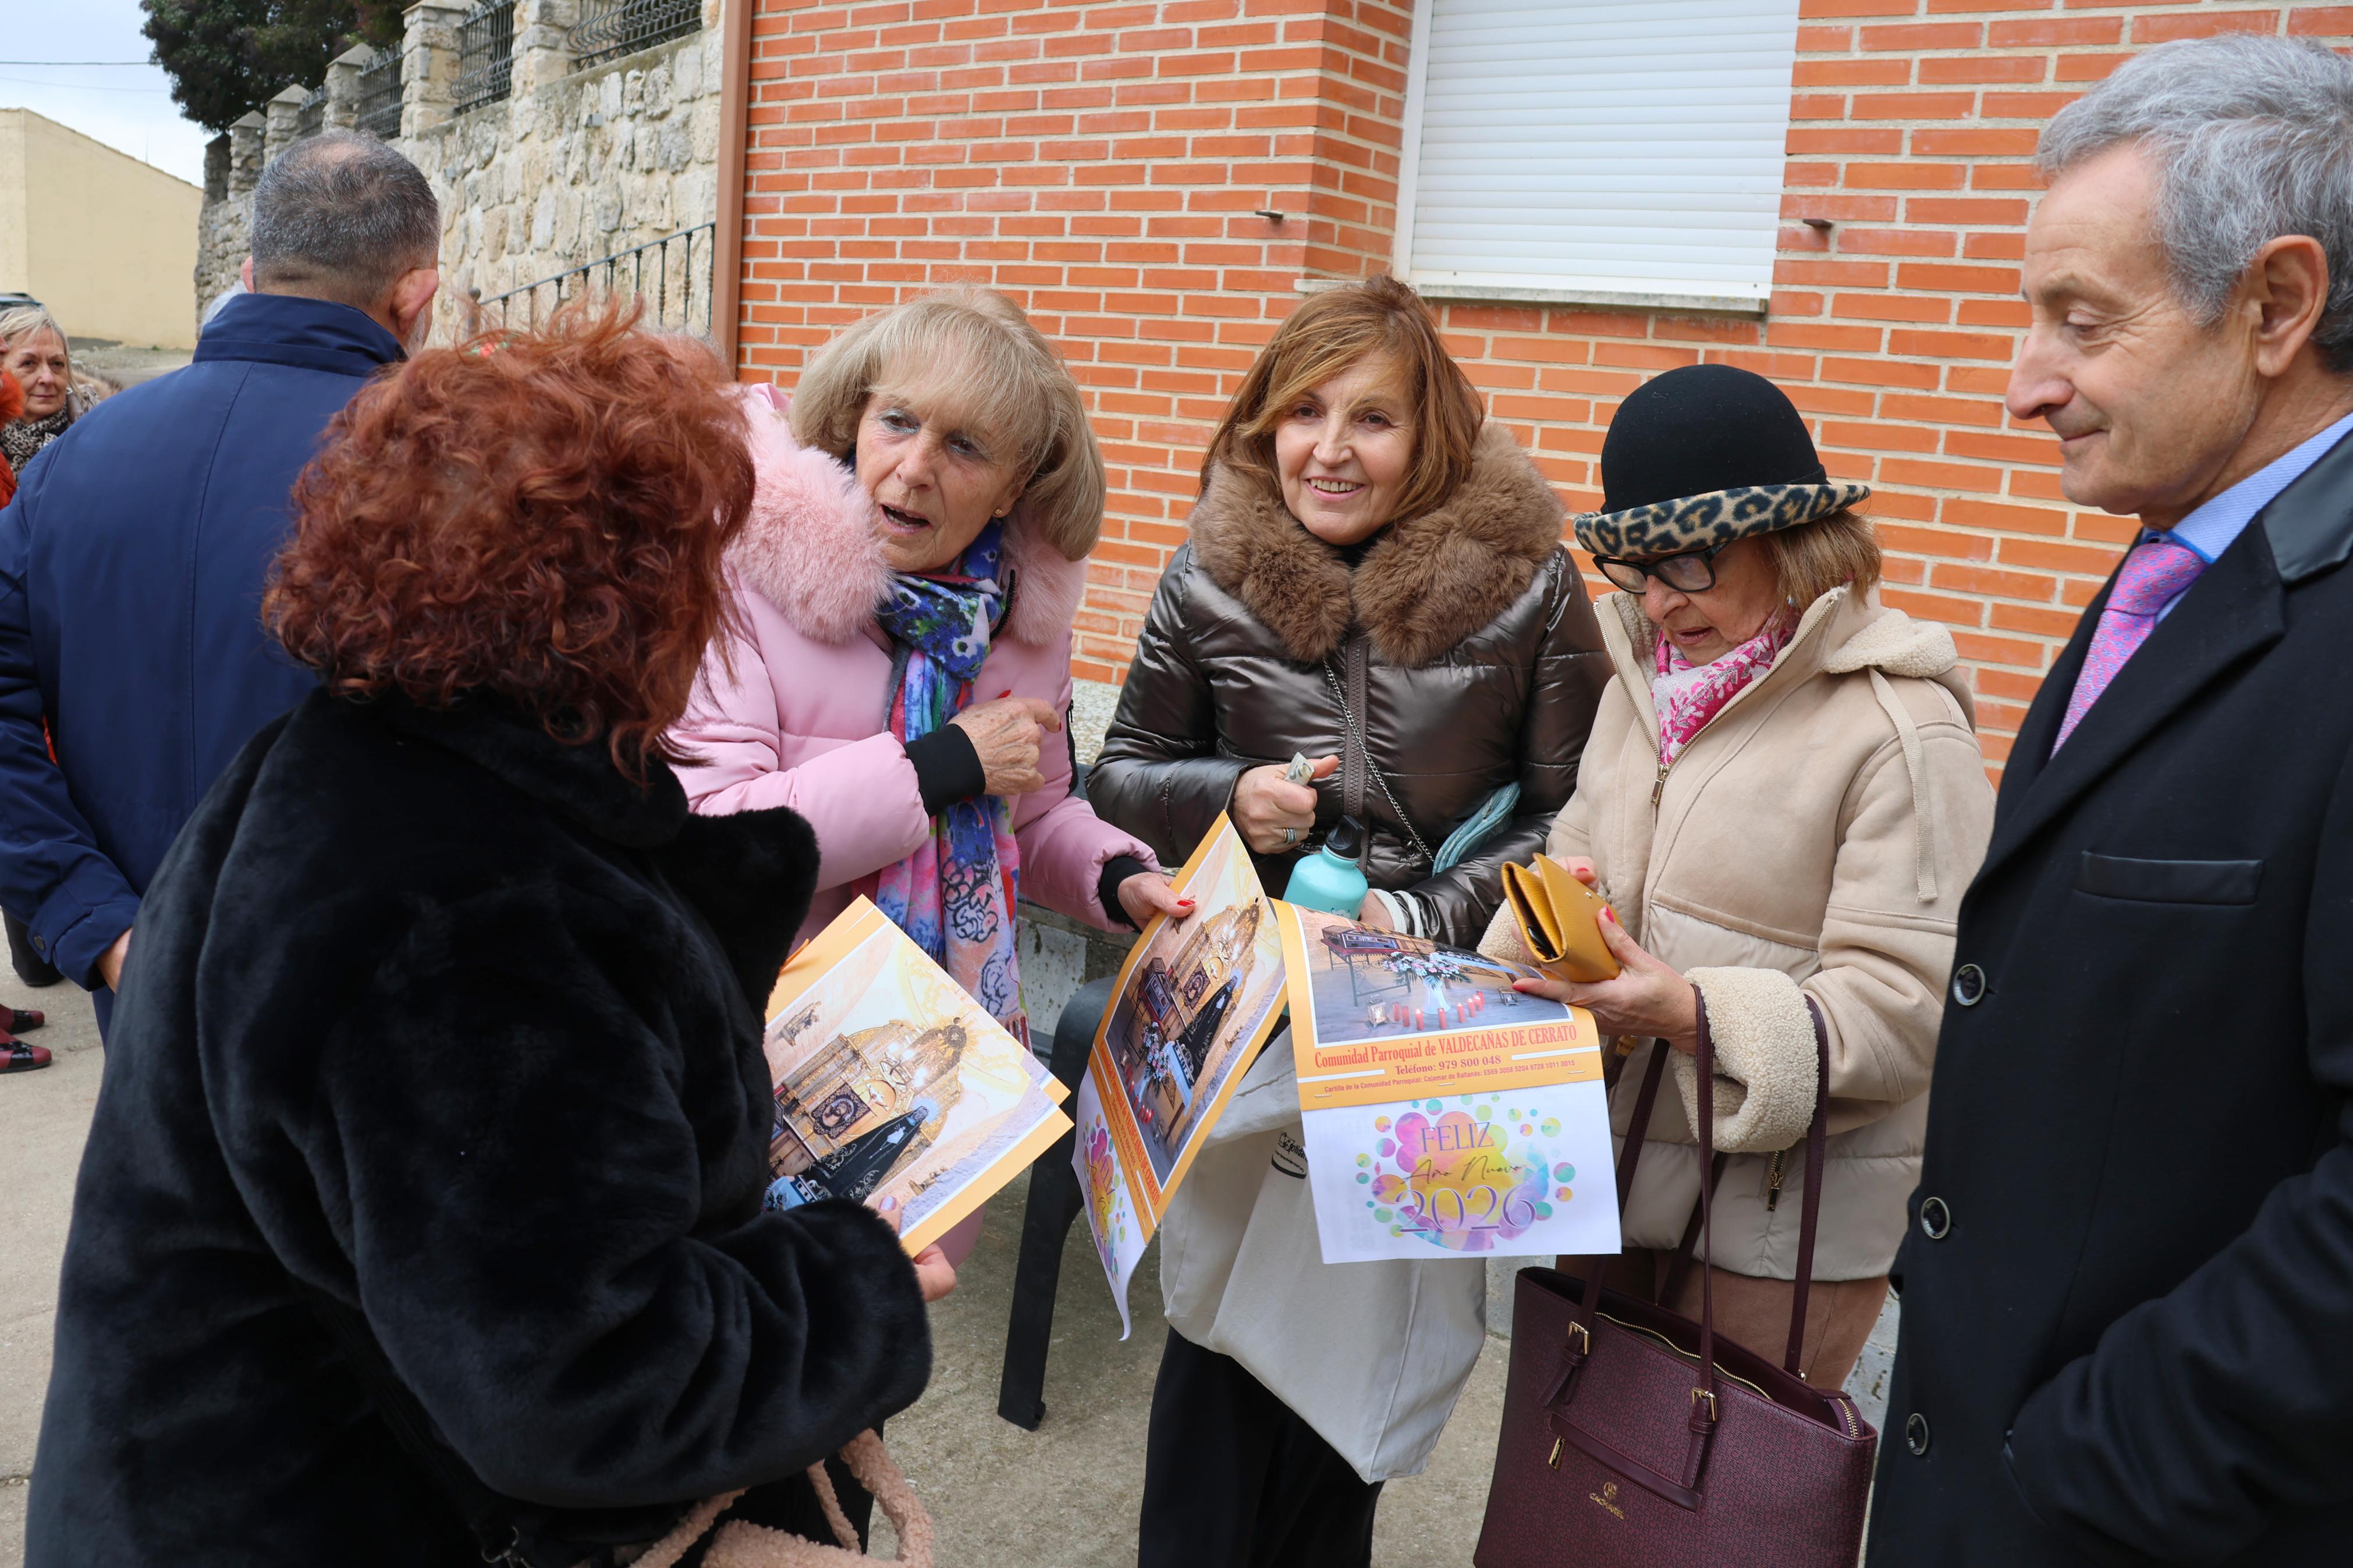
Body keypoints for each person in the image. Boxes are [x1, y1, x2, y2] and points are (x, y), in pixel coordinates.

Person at [26, 303, 943, 1563]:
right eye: (702, 568)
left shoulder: (361, 762)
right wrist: (853, 1285)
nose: (724, 606)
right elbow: (584, 1384)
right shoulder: (458, 910)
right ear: (617, 604)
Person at [1868, 36, 2353, 1565]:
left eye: (2078, 320)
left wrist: (2079, 1464)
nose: (2024, 386)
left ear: (2275, 305)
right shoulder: (2174, 558)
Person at [1084, 276, 1610, 1566]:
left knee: (1362, 1374)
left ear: (1432, 428)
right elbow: (1119, 774)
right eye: (1303, 410)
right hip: (1252, 1020)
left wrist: (1417, 907)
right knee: (1215, 1338)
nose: (1332, 447)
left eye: (1373, 417)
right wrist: (1228, 798)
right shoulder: (1208, 575)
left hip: (1434, 1030)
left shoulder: (1532, 589)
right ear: (1263, 422)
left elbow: (1584, 814)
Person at [1492, 362, 1993, 1391]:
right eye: (1637, 570)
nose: (1661, 605)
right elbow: (1567, 871)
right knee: (1584, 1502)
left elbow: (1909, 1012)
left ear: (1795, 541)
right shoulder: (1638, 695)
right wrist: (1511, 969)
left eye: (1690, 563)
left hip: (1785, 1223)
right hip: (1618, 1173)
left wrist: (1686, 1010)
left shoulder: (1902, 727)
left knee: (1714, 1525)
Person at [0, 131, 439, 1036]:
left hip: (155, 1020)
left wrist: (104, 927)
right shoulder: (454, 477)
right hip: (387, 1029)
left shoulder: (68, 469)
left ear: (248, 270)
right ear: (416, 292)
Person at [672, 287, 1180, 1041]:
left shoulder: (1019, 623)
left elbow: (1032, 816)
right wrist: (939, 767)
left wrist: (1116, 877)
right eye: (899, 422)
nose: (914, 468)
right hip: (763, 1035)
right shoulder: (745, 580)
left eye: (964, 446)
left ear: (1012, 489)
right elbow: (711, 846)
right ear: (856, 422)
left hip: (949, 1056)